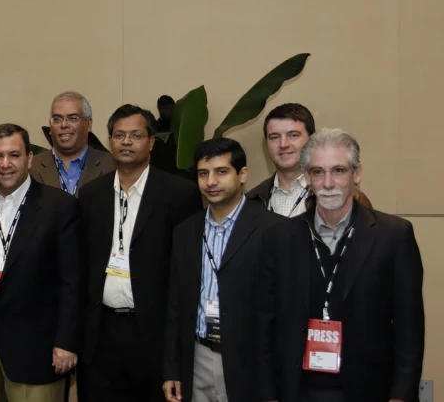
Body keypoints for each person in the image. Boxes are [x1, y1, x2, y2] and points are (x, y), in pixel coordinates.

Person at [256, 128, 424, 402]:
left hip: (370, 388)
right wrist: (267, 394)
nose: (328, 182)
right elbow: (264, 323)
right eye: (318, 172)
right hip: (297, 388)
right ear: (307, 177)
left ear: (356, 174)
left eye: (338, 170)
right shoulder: (280, 238)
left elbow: (410, 327)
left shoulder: (393, 235)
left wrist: (401, 395)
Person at [77, 104, 201, 402]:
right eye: (119, 135)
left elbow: (186, 273)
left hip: (152, 336)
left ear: (151, 142)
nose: (126, 142)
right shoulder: (92, 194)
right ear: (110, 142)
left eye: (135, 135)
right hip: (100, 335)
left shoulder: (180, 194)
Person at [0, 123, 85, 401]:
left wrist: (66, 342)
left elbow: (72, 283)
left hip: (38, 354)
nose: (5, 164)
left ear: (30, 158)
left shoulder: (60, 207)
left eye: (14, 155)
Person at [161, 138, 284, 402]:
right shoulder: (185, 231)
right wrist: (172, 368)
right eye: (203, 173)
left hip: (250, 362)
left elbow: (284, 311)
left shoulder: (274, 229)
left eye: (221, 172)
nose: (211, 182)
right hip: (198, 357)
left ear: (242, 175)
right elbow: (175, 306)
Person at [246, 103, 372, 216]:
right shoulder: (251, 201)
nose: (283, 144)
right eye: (274, 137)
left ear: (311, 139)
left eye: (293, 135)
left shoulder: (347, 196)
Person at [29, 91, 115, 196]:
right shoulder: (31, 167)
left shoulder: (112, 165)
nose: (64, 124)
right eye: (57, 119)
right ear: (50, 125)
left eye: (73, 118)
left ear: (89, 124)